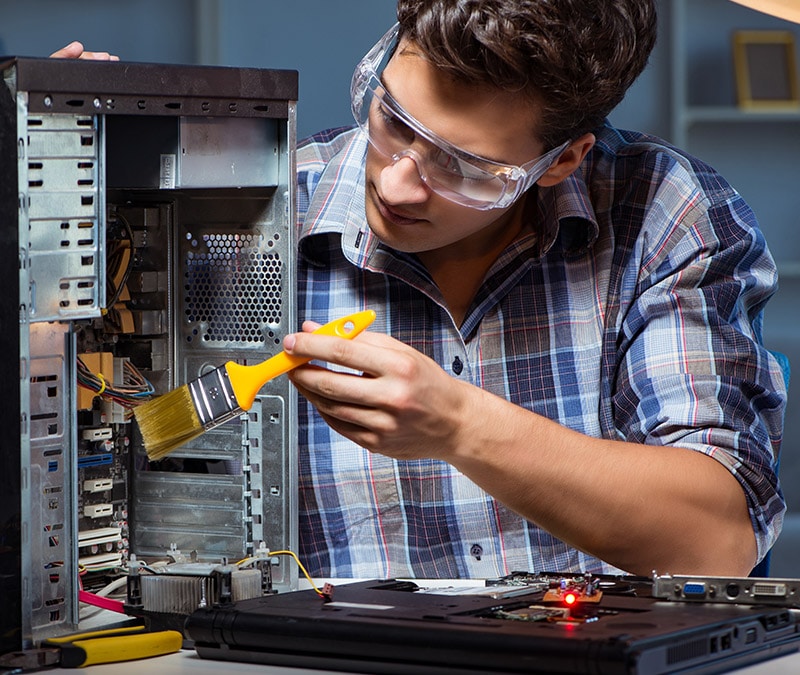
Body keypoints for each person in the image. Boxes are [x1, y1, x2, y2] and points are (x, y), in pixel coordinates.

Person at [56, 0, 787, 580]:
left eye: (463, 166)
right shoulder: (235, 213)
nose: (397, 183)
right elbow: (90, 426)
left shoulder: (658, 210)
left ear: (560, 161)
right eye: (392, 119)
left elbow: (715, 540)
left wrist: (463, 427)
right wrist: (43, 235)